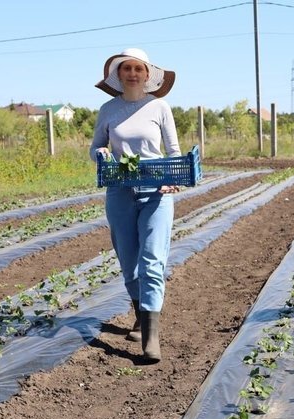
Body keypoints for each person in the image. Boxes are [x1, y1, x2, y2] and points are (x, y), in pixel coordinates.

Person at [89, 48, 180, 362]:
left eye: (138, 69)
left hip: (156, 193)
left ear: (147, 75)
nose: (132, 74)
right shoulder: (108, 109)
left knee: (153, 260)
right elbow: (96, 147)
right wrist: (101, 153)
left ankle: (150, 338)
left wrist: (170, 177)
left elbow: (173, 151)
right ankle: (141, 315)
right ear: (119, 74)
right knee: (130, 264)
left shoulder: (159, 107)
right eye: (126, 69)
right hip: (119, 192)